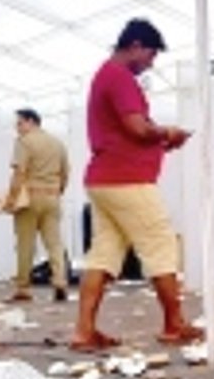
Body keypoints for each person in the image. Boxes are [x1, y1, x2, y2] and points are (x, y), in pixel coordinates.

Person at [70, 18, 199, 352]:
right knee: (160, 245)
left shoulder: (104, 75)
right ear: (137, 46)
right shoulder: (120, 77)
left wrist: (160, 141)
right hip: (126, 179)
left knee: (104, 253)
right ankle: (174, 323)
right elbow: (137, 129)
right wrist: (167, 132)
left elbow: (131, 131)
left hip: (103, 179)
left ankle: (84, 331)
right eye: (151, 56)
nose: (150, 64)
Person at [1, 107, 69, 303]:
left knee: (25, 245)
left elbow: (19, 173)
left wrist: (11, 199)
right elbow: (65, 173)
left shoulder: (24, 142)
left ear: (31, 122)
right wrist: (57, 191)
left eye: (20, 123)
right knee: (54, 243)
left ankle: (23, 288)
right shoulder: (58, 143)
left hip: (29, 197)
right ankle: (60, 281)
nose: (17, 128)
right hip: (52, 197)